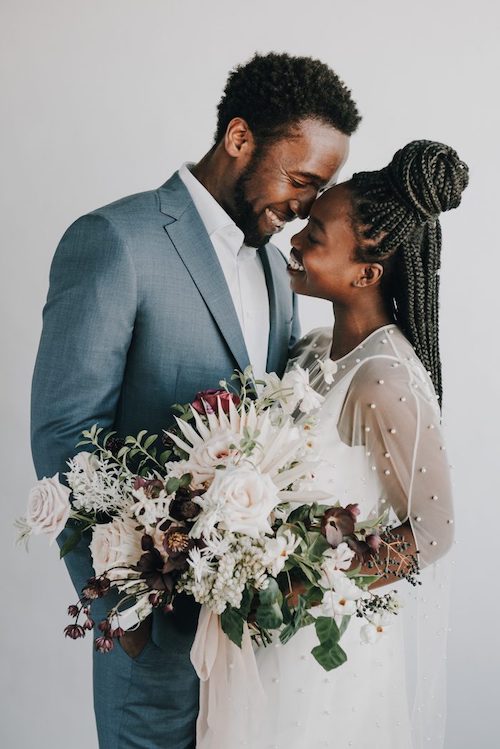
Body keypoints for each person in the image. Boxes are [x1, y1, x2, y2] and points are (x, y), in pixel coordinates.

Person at [30, 52, 360, 748]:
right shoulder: (115, 241)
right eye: (301, 180)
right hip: (153, 634)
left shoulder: (275, 266)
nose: (305, 208)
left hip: (247, 635)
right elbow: (65, 430)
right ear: (240, 138)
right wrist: (127, 607)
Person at [197, 140, 467, 749]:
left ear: (366, 273)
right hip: (266, 633)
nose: (294, 238)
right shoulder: (315, 349)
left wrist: (306, 586)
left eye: (315, 235)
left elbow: (433, 531)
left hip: (322, 651)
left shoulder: (384, 378)